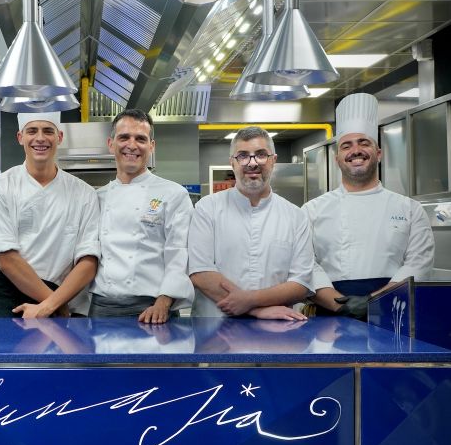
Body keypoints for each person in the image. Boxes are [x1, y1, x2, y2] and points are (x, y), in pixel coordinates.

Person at [303, 93, 435, 319]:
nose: (356, 150)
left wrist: (372, 303)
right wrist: (341, 306)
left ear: (379, 153)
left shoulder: (410, 209)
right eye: (346, 145)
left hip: (393, 311)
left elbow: (418, 265)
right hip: (330, 316)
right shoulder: (311, 210)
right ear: (337, 159)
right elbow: (305, 265)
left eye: (364, 143)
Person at [0, 111, 100, 318]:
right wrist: (55, 306)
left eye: (48, 131)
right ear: (20, 137)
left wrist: (50, 305)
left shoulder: (84, 193)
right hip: (2, 295)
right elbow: (6, 259)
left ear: (59, 137)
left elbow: (88, 261)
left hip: (59, 295)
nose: (40, 138)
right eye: (32, 131)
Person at [188, 126, 312, 320]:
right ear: (232, 163)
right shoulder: (207, 208)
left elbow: (300, 284)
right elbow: (200, 273)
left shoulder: (296, 216)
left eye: (261, 155)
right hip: (215, 333)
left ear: (273, 160)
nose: (252, 163)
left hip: (277, 334)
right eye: (243, 156)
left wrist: (249, 300)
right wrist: (257, 310)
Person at [89, 108, 193, 324]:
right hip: (102, 309)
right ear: (111, 144)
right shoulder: (96, 198)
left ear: (151, 146)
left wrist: (163, 302)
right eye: (124, 137)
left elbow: (179, 253)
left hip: (153, 310)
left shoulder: (173, 194)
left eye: (141, 139)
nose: (132, 145)